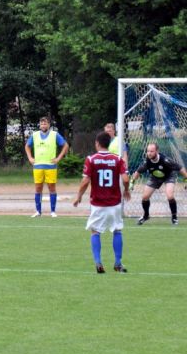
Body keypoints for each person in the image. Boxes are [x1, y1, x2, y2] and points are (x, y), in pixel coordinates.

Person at [73, 131, 131, 274]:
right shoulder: (118, 159)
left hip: (98, 203)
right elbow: (125, 179)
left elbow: (85, 181)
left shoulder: (91, 159)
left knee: (95, 232)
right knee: (117, 230)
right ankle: (118, 263)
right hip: (115, 203)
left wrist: (79, 195)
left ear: (97, 143)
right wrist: (126, 190)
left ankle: (98, 262)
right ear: (109, 144)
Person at [131, 143, 187, 225]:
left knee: (170, 196)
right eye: (148, 151)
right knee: (145, 197)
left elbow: (180, 168)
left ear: (157, 151)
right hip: (155, 177)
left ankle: (174, 217)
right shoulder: (147, 162)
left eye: (151, 151)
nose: (149, 153)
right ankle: (146, 216)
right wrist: (132, 182)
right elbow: (138, 172)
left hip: (169, 176)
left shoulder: (165, 160)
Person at [25, 116, 69, 217]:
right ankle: (38, 211)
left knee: (51, 188)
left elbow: (65, 145)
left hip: (50, 166)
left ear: (49, 125)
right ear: (40, 125)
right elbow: (27, 146)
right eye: (41, 124)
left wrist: (58, 158)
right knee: (38, 188)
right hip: (38, 166)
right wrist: (30, 158)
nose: (43, 125)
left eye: (45, 123)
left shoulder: (54, 135)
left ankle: (53, 211)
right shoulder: (35, 135)